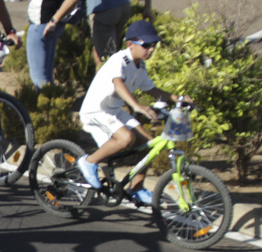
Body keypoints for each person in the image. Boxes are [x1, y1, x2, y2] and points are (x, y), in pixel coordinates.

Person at [76, 21, 191, 204]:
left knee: (149, 144)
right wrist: (137, 106)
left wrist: (177, 98)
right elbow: (118, 83)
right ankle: (89, 162)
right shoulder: (119, 60)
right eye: (146, 45)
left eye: (153, 45)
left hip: (113, 111)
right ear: (130, 44)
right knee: (125, 138)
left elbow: (151, 89)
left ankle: (137, 187)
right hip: (95, 112)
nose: (151, 49)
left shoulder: (140, 66)